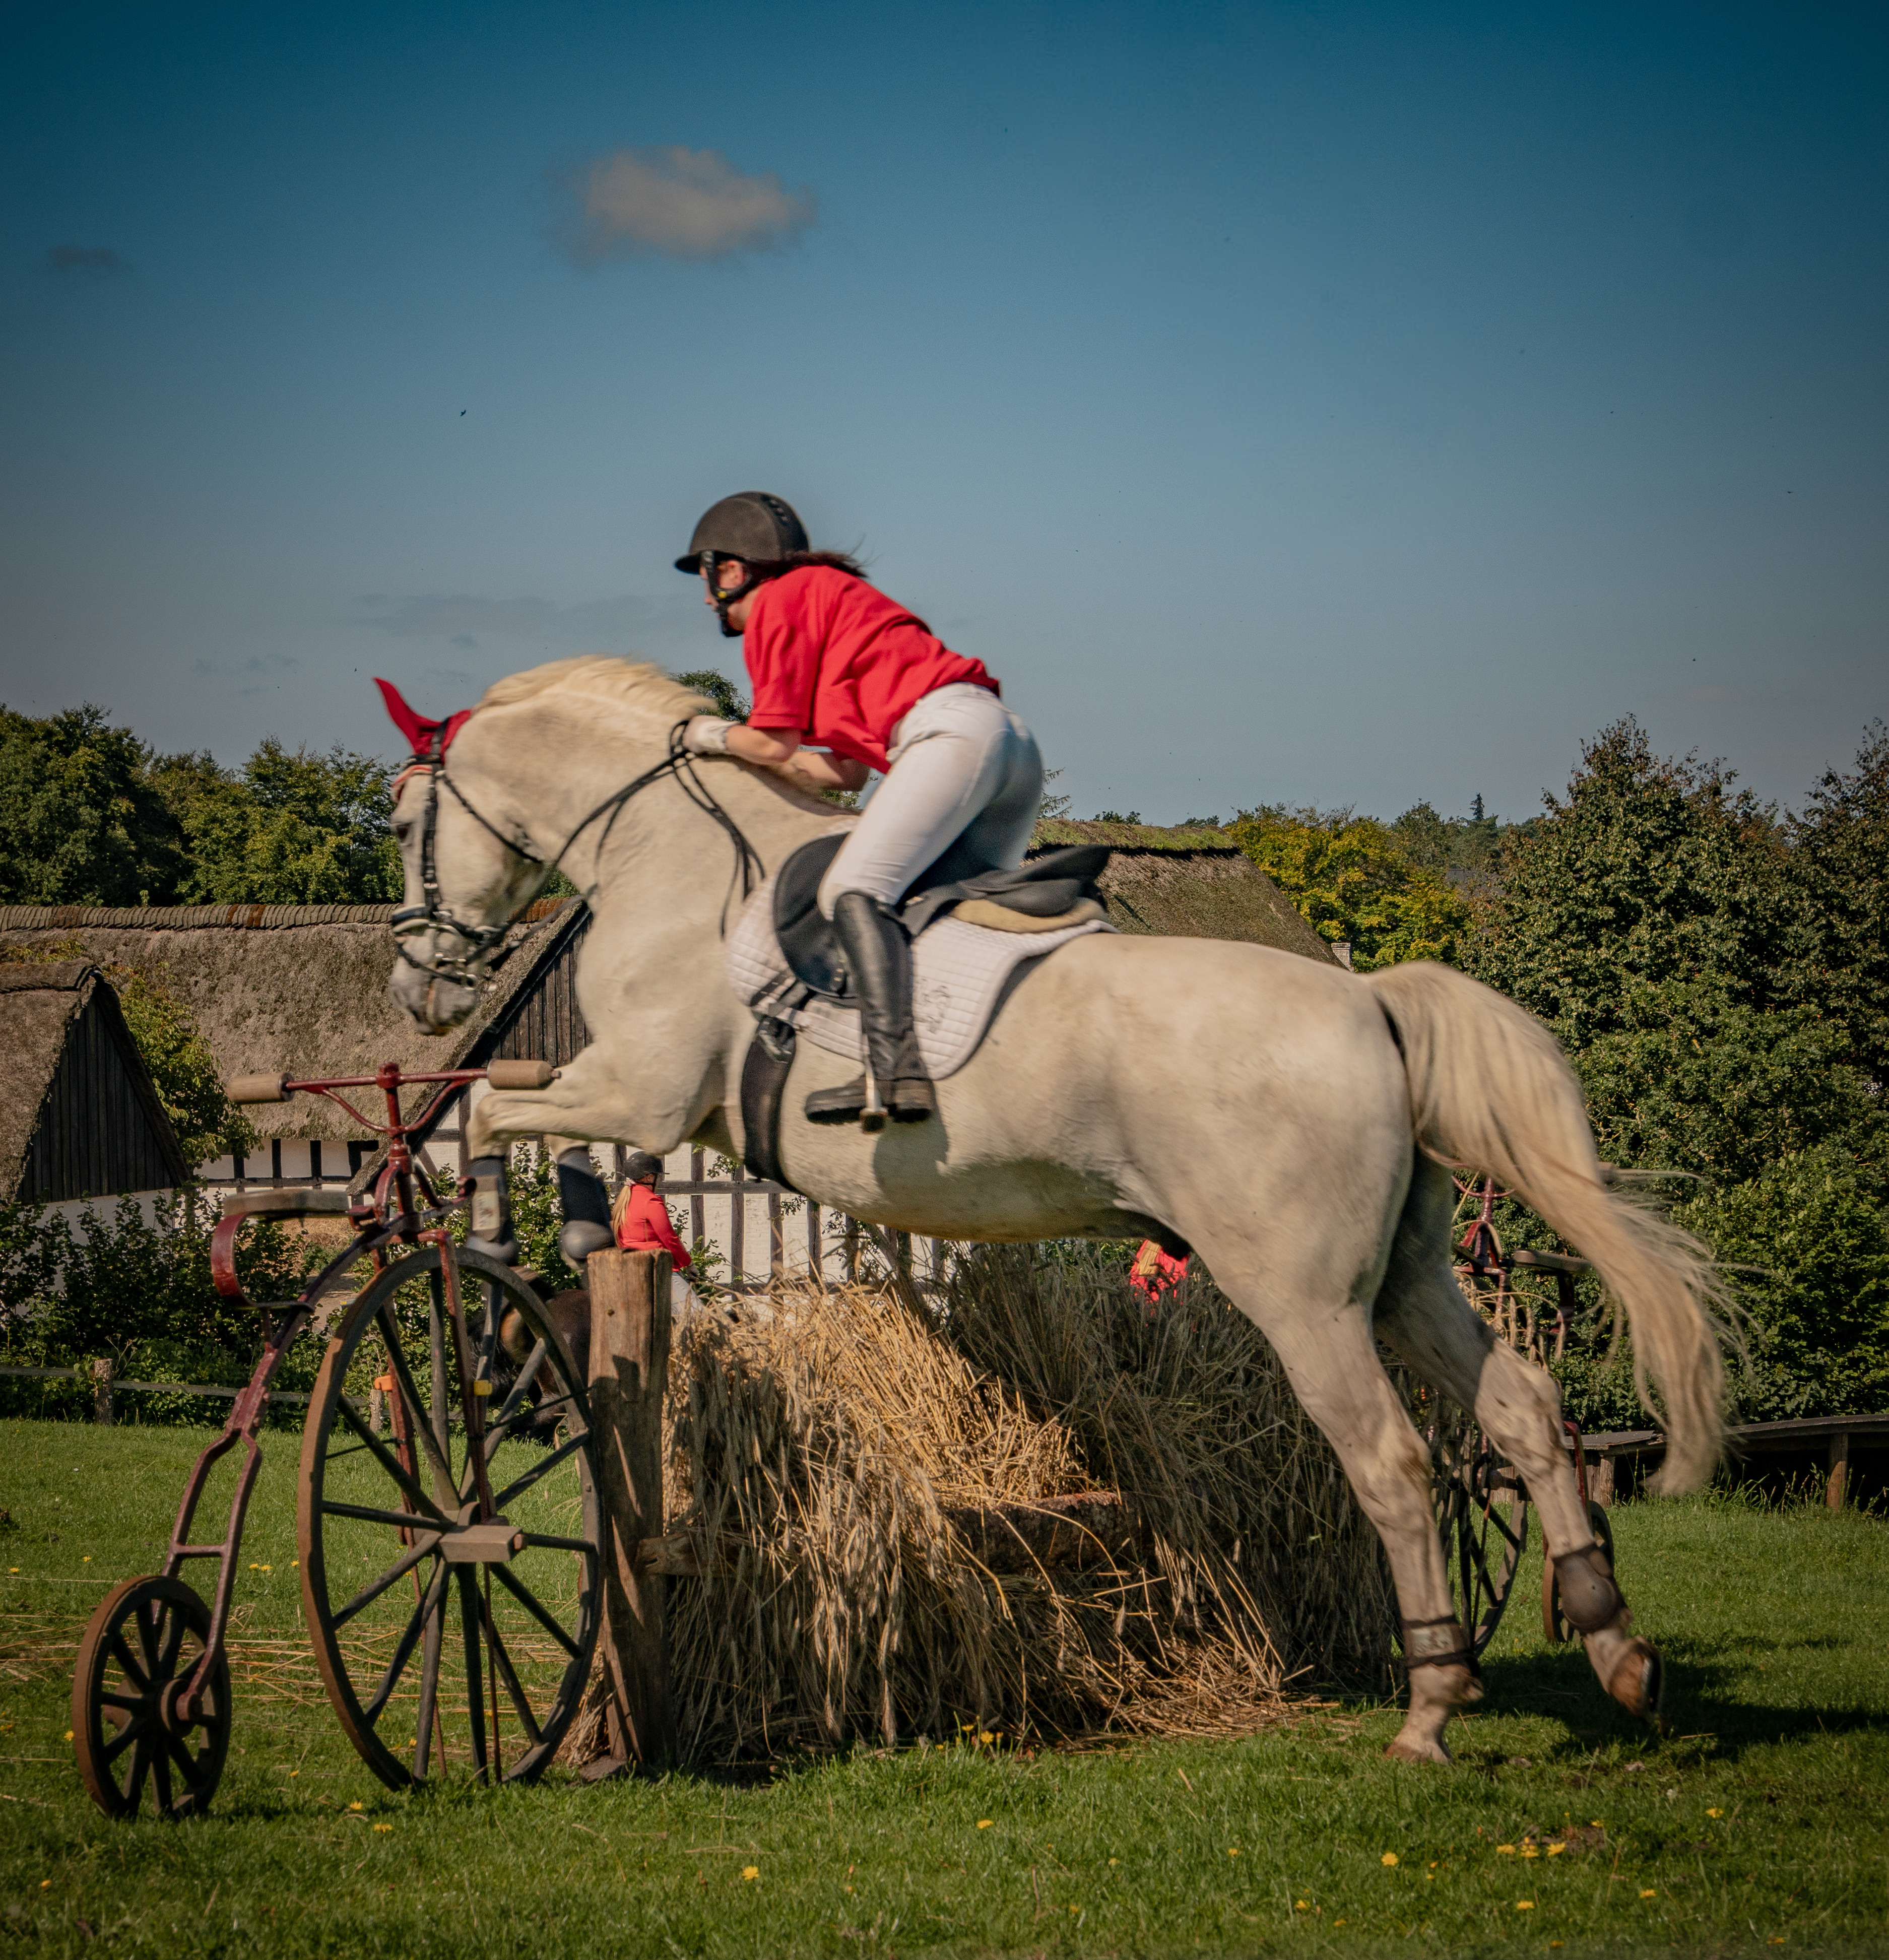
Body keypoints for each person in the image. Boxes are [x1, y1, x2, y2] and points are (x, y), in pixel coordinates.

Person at [676, 491, 1044, 1129]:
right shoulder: (832, 599)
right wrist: (752, 756)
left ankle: (891, 1069)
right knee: (945, 909)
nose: (707, 599)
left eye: (708, 580)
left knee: (850, 888)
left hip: (948, 736)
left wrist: (704, 735)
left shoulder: (780, 601)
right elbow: (842, 772)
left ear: (731, 568)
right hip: (1009, 744)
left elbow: (771, 743)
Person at [612, 1150, 692, 1272]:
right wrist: (688, 1263)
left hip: (629, 1266)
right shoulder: (650, 1201)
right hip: (655, 1265)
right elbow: (670, 1238)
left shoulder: (624, 1200)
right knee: (686, 1287)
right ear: (649, 1177)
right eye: (657, 1177)